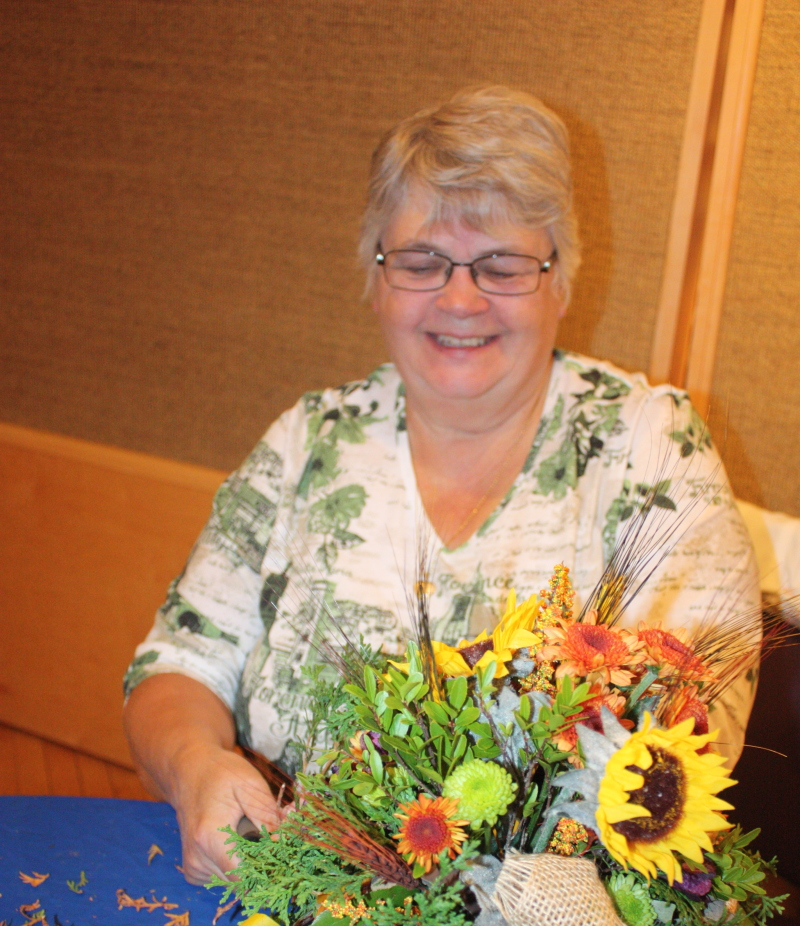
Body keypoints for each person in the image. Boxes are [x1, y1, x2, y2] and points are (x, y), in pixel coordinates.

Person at [123, 85, 760, 885]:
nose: (460, 299)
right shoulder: (308, 441)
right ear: (375, 277)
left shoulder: (649, 449)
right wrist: (194, 768)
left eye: (503, 264)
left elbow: (689, 740)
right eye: (422, 261)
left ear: (562, 278)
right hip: (280, 907)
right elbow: (175, 666)